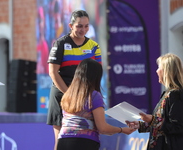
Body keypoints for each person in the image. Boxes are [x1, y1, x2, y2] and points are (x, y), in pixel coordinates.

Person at [47, 10, 101, 150]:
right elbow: (53, 73)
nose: (83, 30)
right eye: (79, 26)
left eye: (86, 26)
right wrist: (69, 94)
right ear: (71, 25)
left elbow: (96, 74)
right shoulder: (60, 44)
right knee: (61, 139)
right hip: (62, 93)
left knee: (86, 135)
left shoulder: (94, 46)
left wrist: (93, 97)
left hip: (84, 96)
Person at [57, 58, 135, 150]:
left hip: (63, 141)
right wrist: (122, 130)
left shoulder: (67, 95)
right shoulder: (93, 95)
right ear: (96, 76)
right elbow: (103, 128)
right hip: (84, 142)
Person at [126, 53, 183, 150]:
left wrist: (153, 120)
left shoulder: (175, 94)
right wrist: (141, 125)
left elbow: (177, 127)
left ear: (167, 71)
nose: (156, 71)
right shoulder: (167, 93)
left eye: (159, 68)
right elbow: (161, 127)